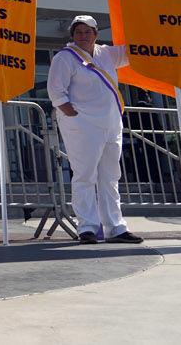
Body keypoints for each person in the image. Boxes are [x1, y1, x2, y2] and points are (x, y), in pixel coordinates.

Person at [46, 14, 144, 244]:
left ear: (95, 34)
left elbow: (134, 51)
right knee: (85, 175)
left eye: (87, 31)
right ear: (73, 35)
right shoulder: (65, 57)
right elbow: (55, 91)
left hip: (110, 123)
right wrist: (71, 113)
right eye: (79, 32)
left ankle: (116, 228)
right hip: (84, 124)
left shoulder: (106, 53)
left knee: (110, 177)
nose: (83, 36)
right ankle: (87, 227)